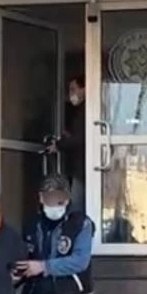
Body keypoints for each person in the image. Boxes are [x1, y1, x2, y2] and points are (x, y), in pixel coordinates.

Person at [53, 75, 86, 212]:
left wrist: (59, 145)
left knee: (77, 205)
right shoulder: (79, 111)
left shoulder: (87, 111)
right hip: (80, 167)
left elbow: (79, 137)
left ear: (84, 89)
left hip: (83, 168)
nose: (71, 94)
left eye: (73, 89)